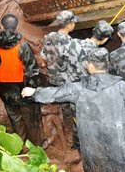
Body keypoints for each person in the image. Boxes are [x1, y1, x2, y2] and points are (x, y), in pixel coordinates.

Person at [22, 48, 125, 172]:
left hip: (93, 140)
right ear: (107, 64)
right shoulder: (122, 86)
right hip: (122, 139)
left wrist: (34, 92)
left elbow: (58, 93)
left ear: (91, 66)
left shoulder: (79, 88)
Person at [0, 14, 42, 144]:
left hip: (5, 91)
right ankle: (37, 145)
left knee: (15, 118)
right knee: (32, 119)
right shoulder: (22, 46)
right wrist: (35, 89)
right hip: (23, 90)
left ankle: (20, 143)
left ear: (2, 26)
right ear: (17, 26)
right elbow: (32, 70)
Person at [40, 10, 82, 149]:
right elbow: (76, 65)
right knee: (72, 104)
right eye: (73, 22)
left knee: (63, 102)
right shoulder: (71, 43)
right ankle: (72, 130)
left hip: (54, 78)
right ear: (69, 25)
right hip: (67, 80)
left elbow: (44, 57)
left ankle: (67, 123)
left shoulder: (50, 36)